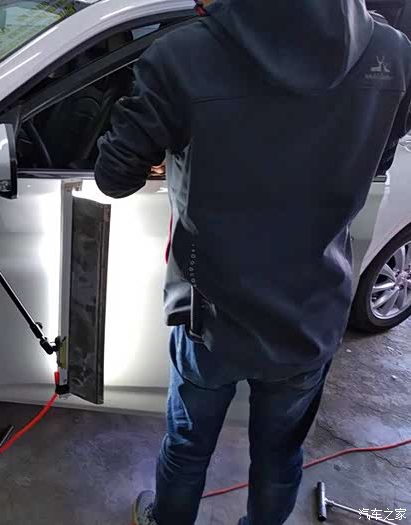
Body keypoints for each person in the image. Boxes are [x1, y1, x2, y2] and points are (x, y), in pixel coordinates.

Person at [93, 1, 411, 524]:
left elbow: (114, 177)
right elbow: (378, 160)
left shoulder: (182, 54)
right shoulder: (393, 53)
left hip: (211, 312)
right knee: (280, 455)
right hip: (312, 310)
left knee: (188, 446)